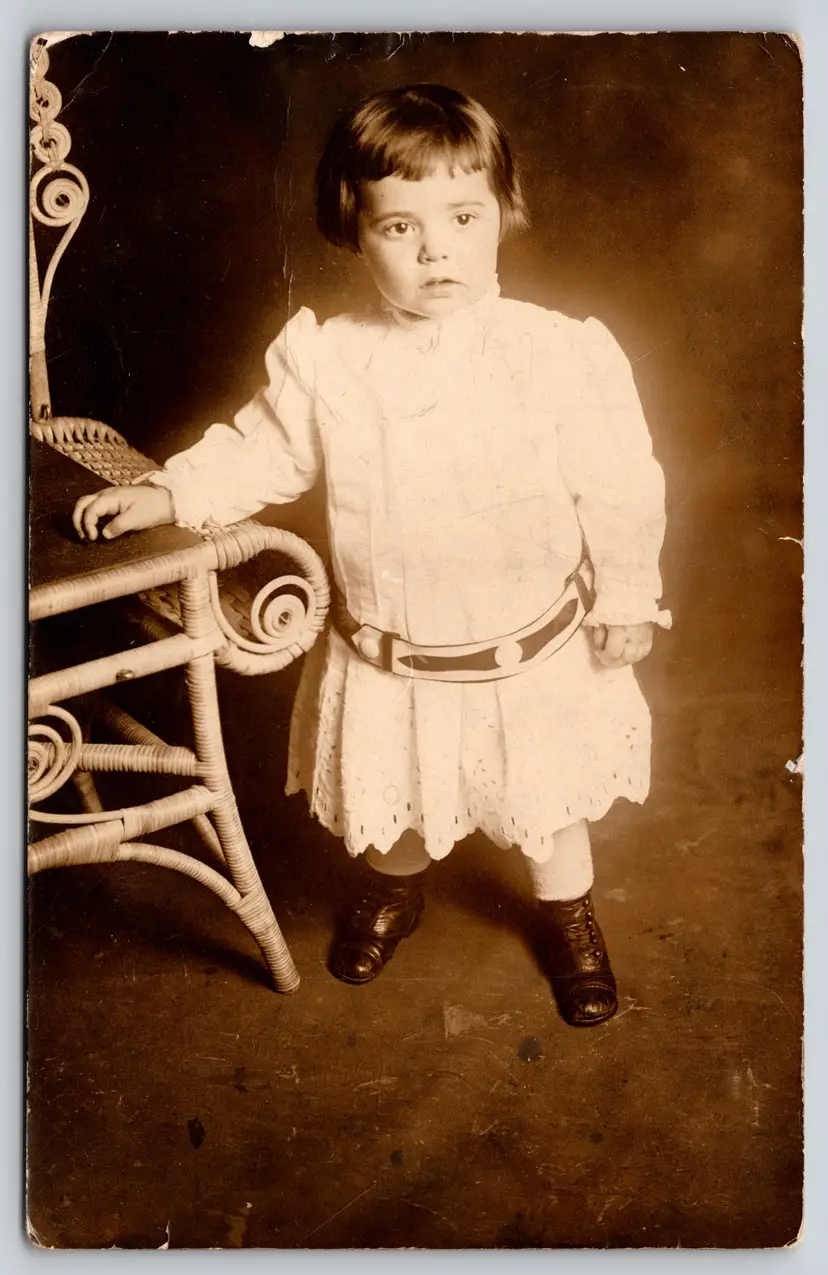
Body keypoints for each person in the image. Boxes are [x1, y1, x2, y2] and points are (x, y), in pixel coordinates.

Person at [73, 84, 670, 1027]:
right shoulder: (329, 360)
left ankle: (568, 912)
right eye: (400, 226)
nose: (436, 249)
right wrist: (172, 492)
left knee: (547, 801)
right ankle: (396, 887)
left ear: (503, 215)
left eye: (462, 217)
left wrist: (628, 596)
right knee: (397, 793)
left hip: (528, 651)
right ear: (353, 232)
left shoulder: (558, 355)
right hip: (394, 651)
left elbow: (623, 482)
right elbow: (260, 450)